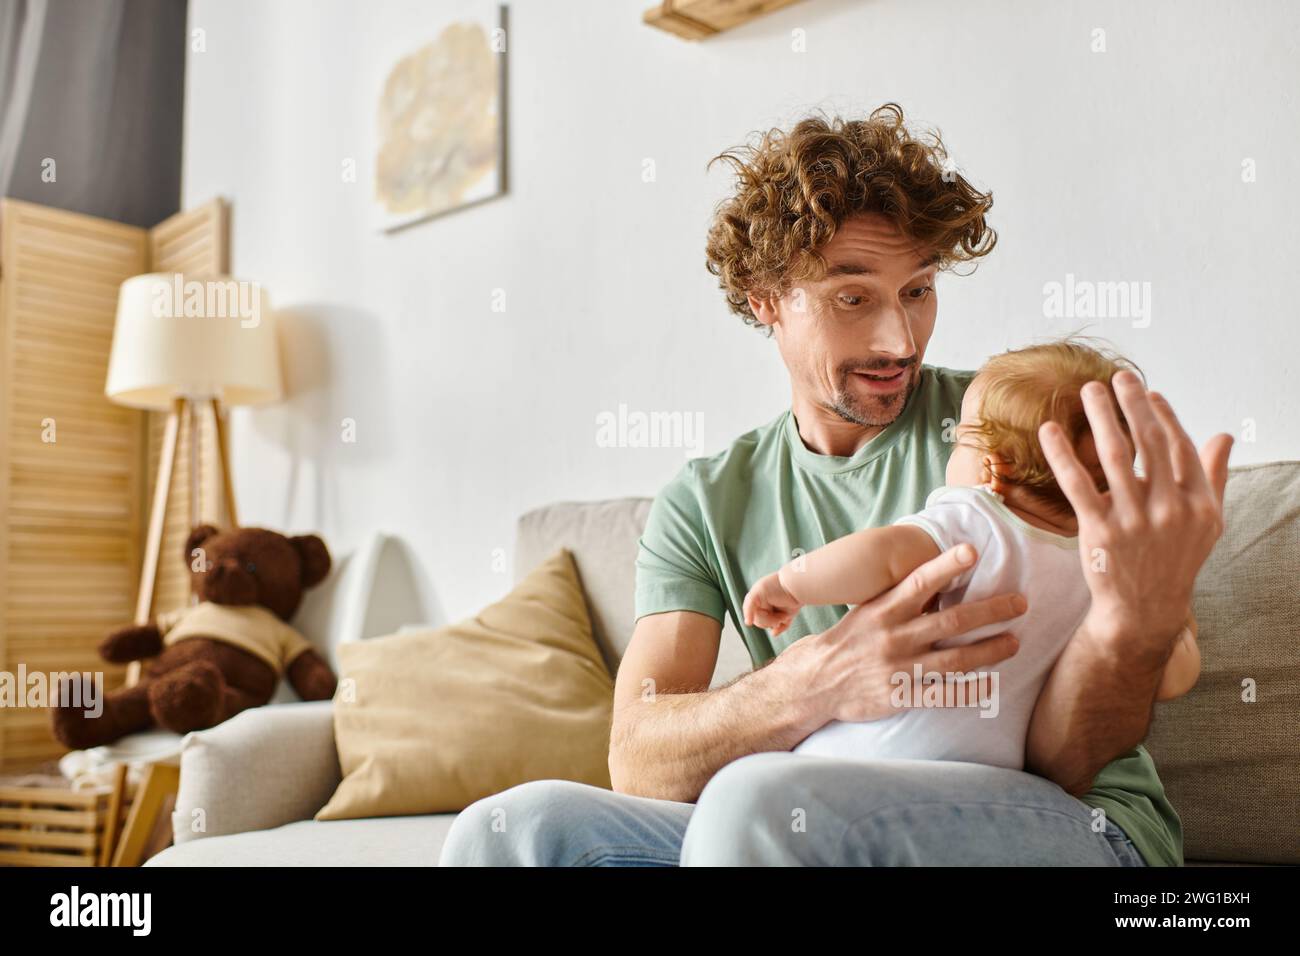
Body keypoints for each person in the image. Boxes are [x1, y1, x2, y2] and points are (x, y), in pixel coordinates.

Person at [439, 103, 1231, 866]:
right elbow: (641, 761)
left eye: (918, 291)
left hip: (1071, 823)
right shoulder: (709, 499)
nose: (899, 338)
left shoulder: (1017, 437)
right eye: (853, 297)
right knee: (511, 833)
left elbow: (1068, 761)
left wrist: (1132, 627)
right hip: (810, 822)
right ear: (764, 301)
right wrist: (819, 681)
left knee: (759, 805)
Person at [744, 340, 1202, 771]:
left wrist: (793, 581)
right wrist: (1174, 607)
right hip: (993, 772)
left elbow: (881, 556)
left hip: (879, 753)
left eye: (961, 438)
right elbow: (1174, 678)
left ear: (991, 467)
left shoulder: (976, 515)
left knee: (752, 789)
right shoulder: (1104, 566)